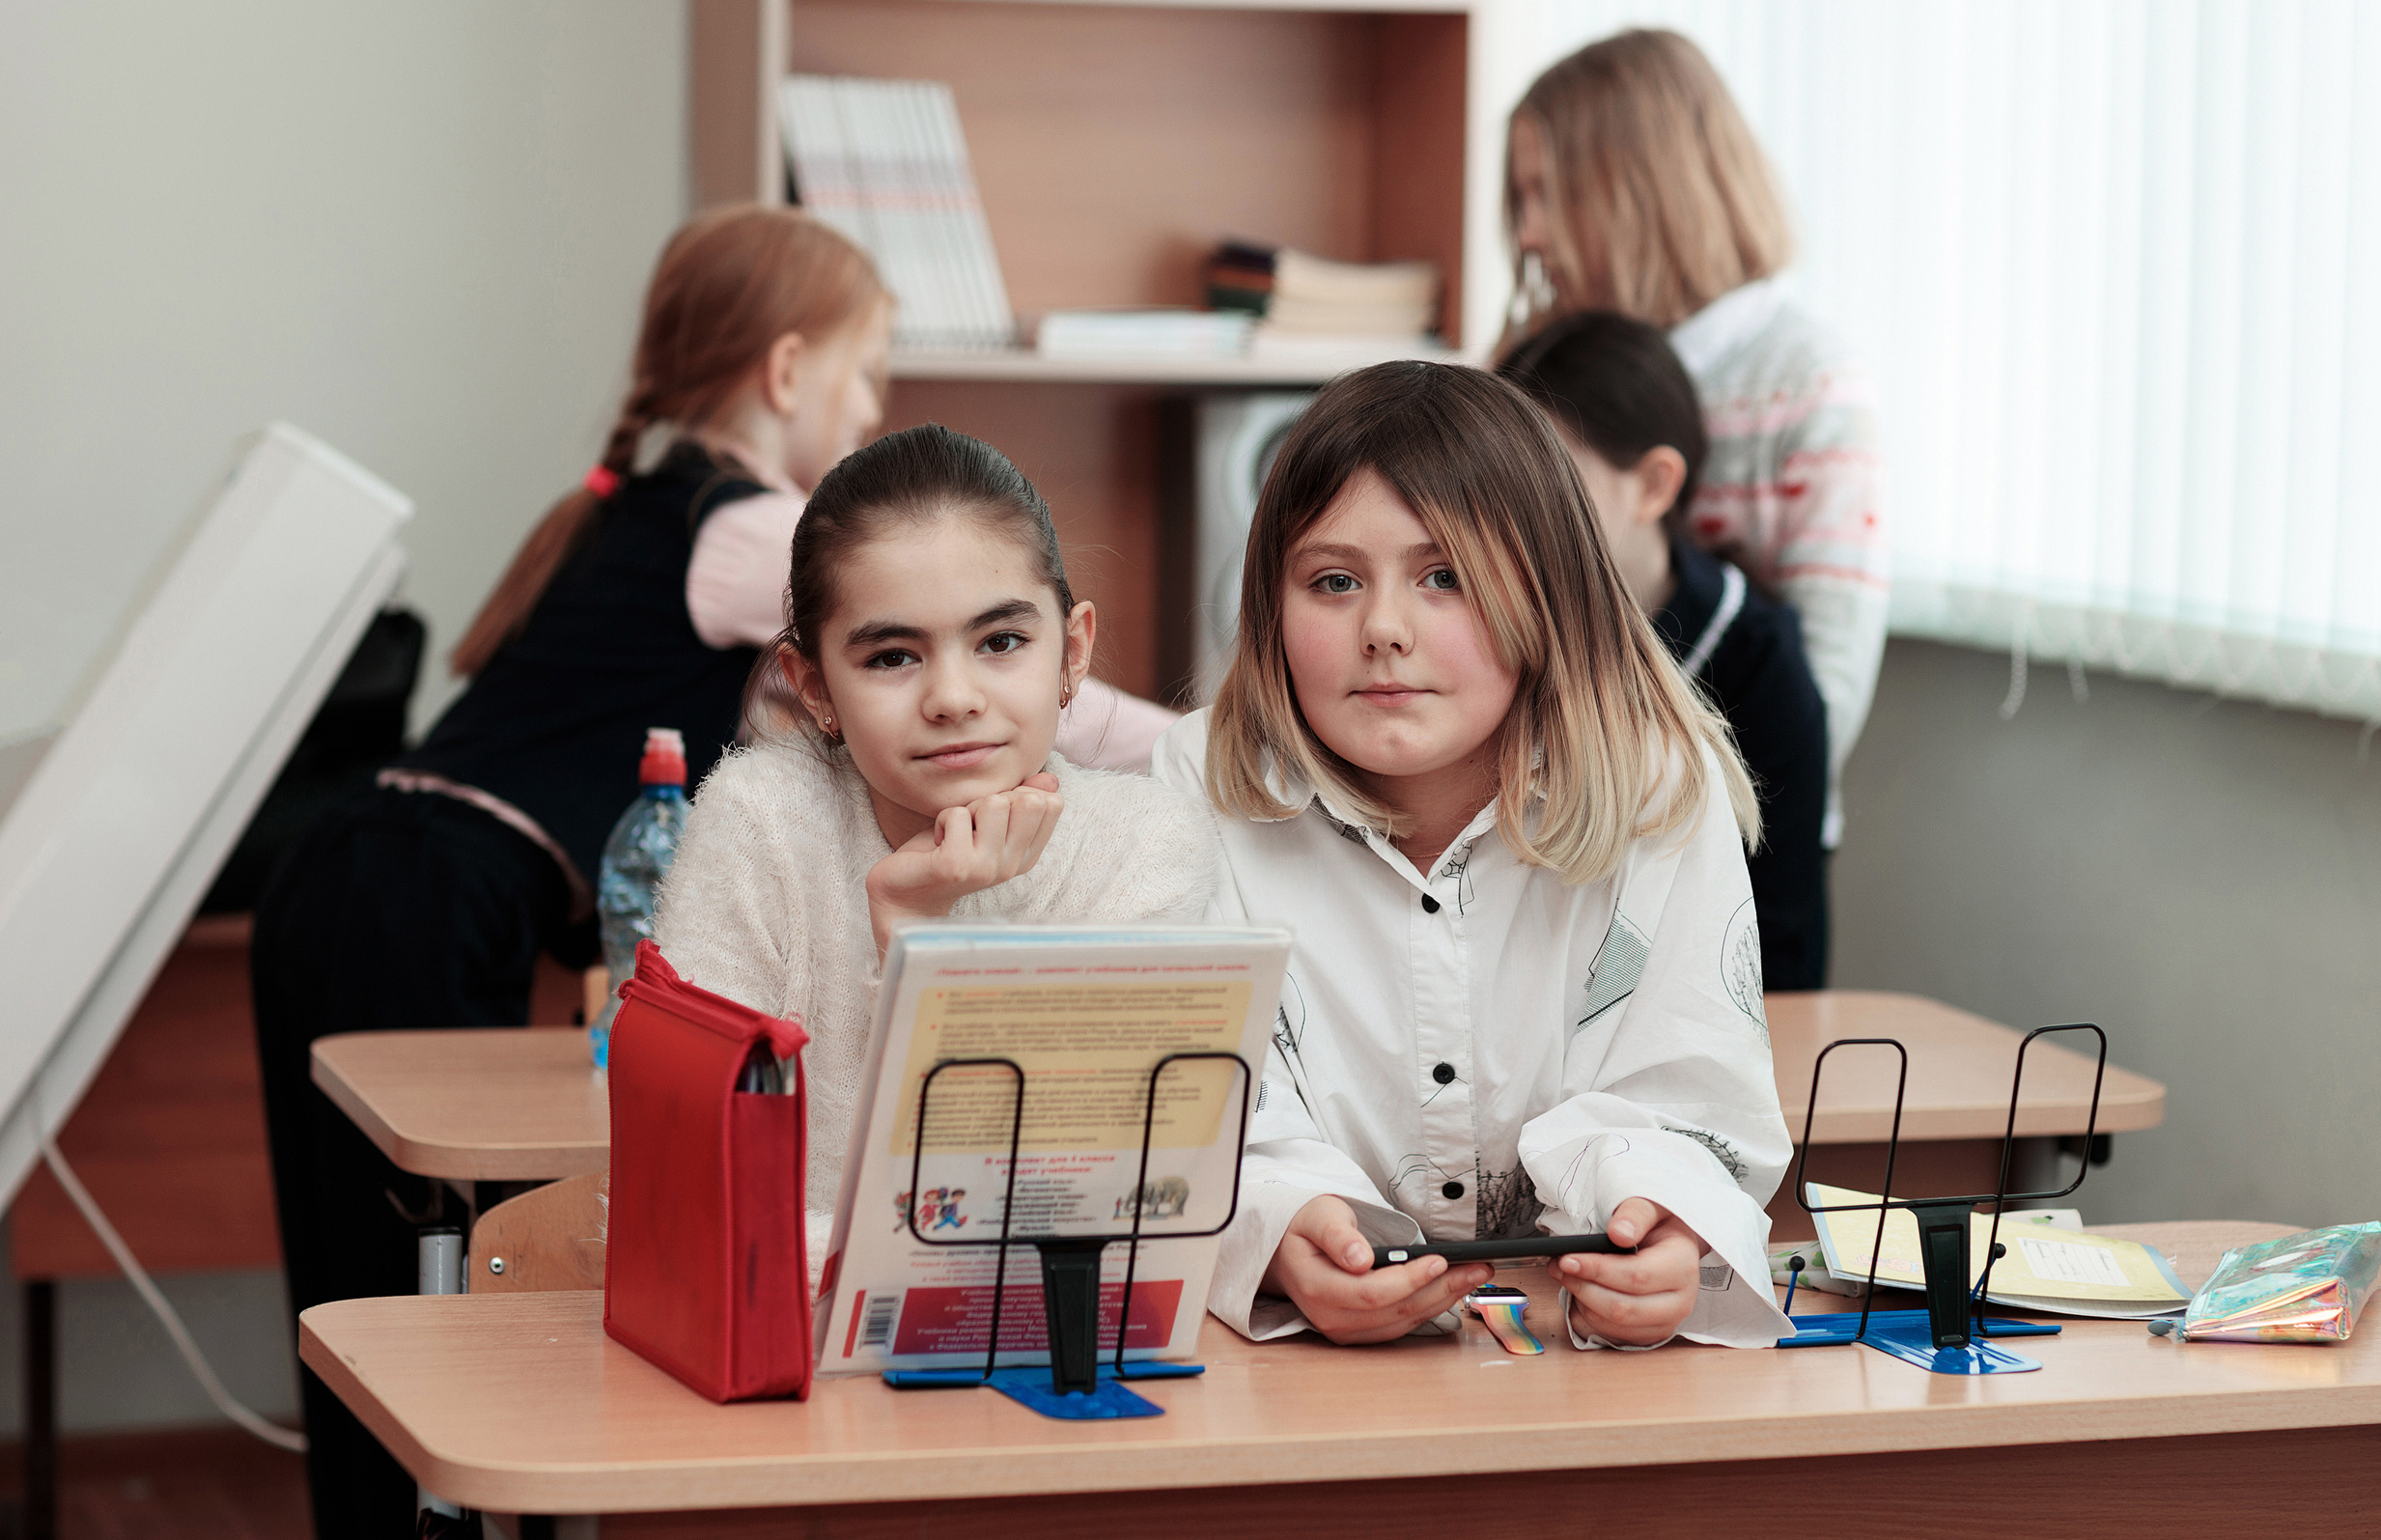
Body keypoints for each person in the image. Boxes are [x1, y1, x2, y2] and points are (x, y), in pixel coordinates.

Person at [250, 208, 1159, 1537]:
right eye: (865, 375)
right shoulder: (749, 529)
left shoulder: (648, 499)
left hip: (373, 868)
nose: (871, 412)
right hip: (416, 886)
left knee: (360, 1260)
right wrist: (1218, 746)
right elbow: (1061, 702)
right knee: (387, 1295)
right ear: (787, 370)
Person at [1153, 360, 1792, 1354]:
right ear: (1270, 607)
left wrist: (1666, 1230)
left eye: (1444, 576)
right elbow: (1196, 1106)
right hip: (1299, 1383)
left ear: (1550, 592)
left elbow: (1687, 1091)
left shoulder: (1659, 786)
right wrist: (1282, 1235)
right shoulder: (1196, 783)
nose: (1384, 630)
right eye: (1333, 582)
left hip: (1575, 1372)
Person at [654, 424, 1220, 1240]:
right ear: (814, 688)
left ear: (1072, 652)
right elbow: (689, 1197)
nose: (953, 697)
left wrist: (929, 952)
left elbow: (1084, 1208)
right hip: (782, 1317)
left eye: (1001, 641)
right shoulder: (760, 822)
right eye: (892, 656)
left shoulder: (1143, 846)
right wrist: (911, 929)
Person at [1501, 27, 1888, 855]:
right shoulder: (1534, 366)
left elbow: (1826, 692)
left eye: (1547, 196)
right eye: (1520, 202)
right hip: (1544, 830)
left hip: (1734, 838)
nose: (1528, 235)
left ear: (1643, 189)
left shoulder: (1809, 383)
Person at [1499, 310, 1829, 989]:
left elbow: (1779, 948)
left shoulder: (1761, 662)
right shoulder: (1490, 628)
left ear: (1654, 484)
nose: (1512, 513)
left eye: (1550, 479)